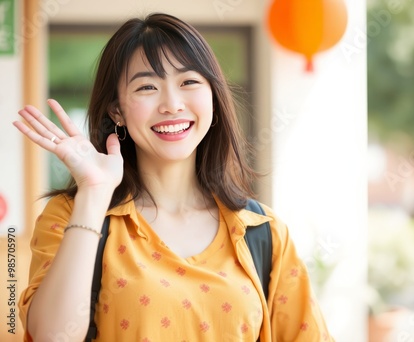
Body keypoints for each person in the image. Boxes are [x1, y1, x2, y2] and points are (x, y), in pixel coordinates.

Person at [15, 13, 334, 342]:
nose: (172, 104)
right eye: (147, 87)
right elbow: (53, 337)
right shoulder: (73, 215)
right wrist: (94, 193)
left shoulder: (263, 231)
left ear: (212, 96)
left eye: (188, 82)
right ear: (117, 111)